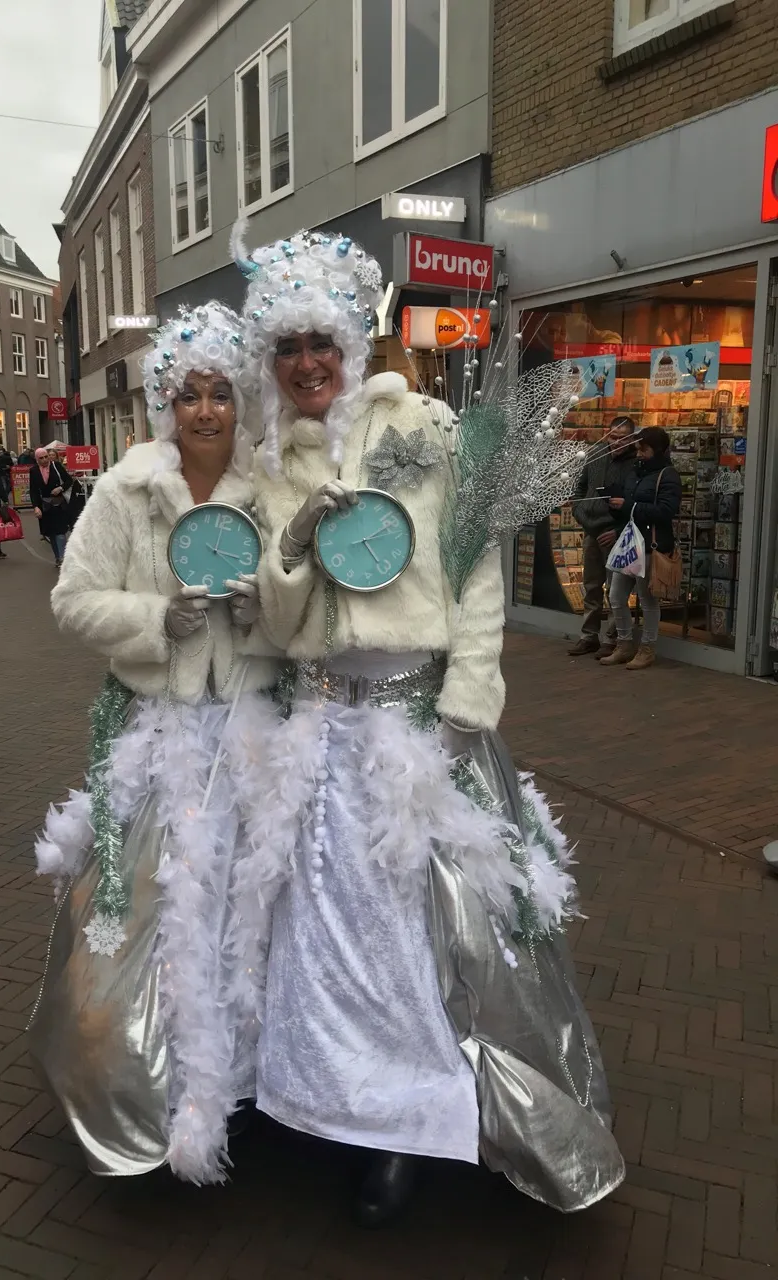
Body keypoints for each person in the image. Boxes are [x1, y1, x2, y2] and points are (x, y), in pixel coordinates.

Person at [234, 221, 623, 1225]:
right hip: (323, 727)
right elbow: (276, 627)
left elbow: (478, 571)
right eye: (289, 348)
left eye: (322, 342)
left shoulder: (425, 432)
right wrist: (293, 544)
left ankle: (412, 1125)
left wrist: (466, 699)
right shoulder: (269, 461)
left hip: (419, 724)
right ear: (270, 361)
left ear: (353, 346)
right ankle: (329, 1103)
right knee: (323, 932)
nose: (309, 363)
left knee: (422, 939)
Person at [28, 302, 282, 1184]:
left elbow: (309, 612)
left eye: (221, 394)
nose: (206, 411)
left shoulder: (273, 493)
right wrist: (152, 619)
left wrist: (266, 618)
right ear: (165, 404)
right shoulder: (125, 493)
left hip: (251, 735)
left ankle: (249, 1086)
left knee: (252, 916)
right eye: (189, 395)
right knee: (150, 915)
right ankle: (141, 1088)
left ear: (243, 402)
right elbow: (73, 599)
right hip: (160, 738)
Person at [600, 426, 682, 671]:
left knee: (647, 600)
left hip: (650, 544)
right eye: (638, 448)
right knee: (615, 596)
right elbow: (628, 505)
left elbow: (666, 511)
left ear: (657, 450)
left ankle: (647, 648)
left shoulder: (668, 475)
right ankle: (624, 644)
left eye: (644, 449)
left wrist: (629, 506)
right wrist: (616, 506)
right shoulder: (635, 472)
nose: (639, 454)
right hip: (629, 542)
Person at [568, 417, 638, 659]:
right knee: (591, 586)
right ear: (607, 435)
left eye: (623, 438)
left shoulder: (635, 464)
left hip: (615, 534)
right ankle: (589, 636)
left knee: (615, 590)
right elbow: (580, 486)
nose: (617, 443)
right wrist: (579, 512)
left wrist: (618, 531)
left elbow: (637, 503)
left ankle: (612, 638)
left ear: (632, 439)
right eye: (613, 437)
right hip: (591, 528)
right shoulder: (595, 454)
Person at [29, 446, 72, 566]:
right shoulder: (34, 471)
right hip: (45, 505)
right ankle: (58, 557)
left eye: (46, 457)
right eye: (41, 458)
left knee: (60, 531)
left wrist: (60, 488)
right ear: (37, 459)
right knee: (51, 533)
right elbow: (33, 490)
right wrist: (36, 507)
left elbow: (69, 480)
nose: (44, 460)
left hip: (59, 503)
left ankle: (63, 557)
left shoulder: (56, 466)